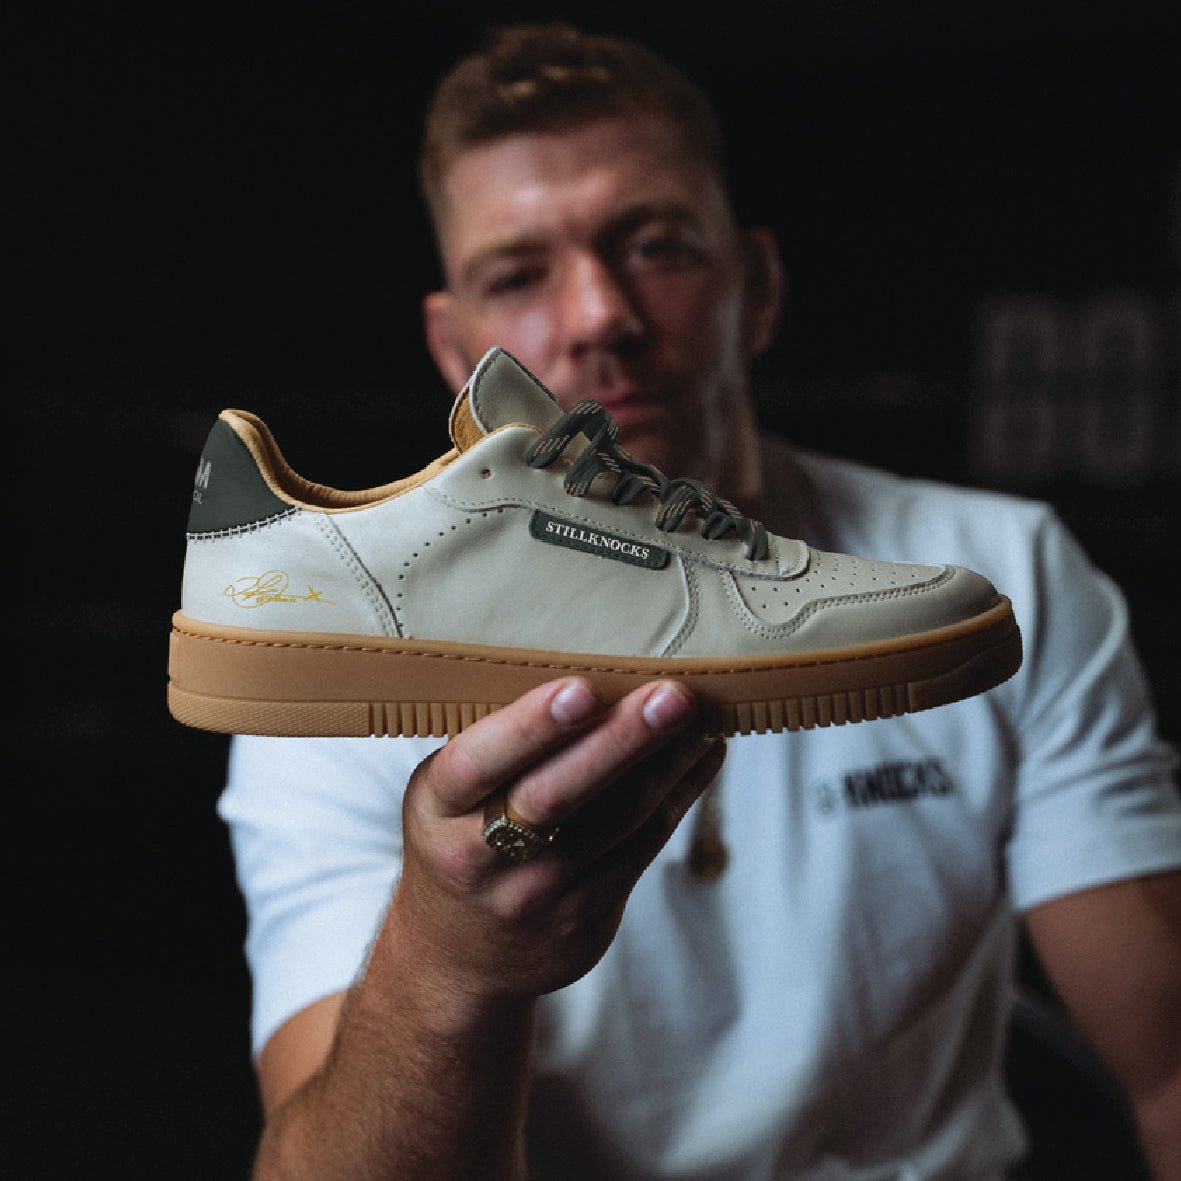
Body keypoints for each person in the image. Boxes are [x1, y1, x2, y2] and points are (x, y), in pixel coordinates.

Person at [218, 23, 1181, 1180]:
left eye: (654, 245)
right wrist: (449, 956)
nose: (598, 314)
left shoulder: (993, 569)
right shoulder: (342, 655)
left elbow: (1168, 1073)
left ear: (757, 287)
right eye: (518, 274)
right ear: (451, 345)